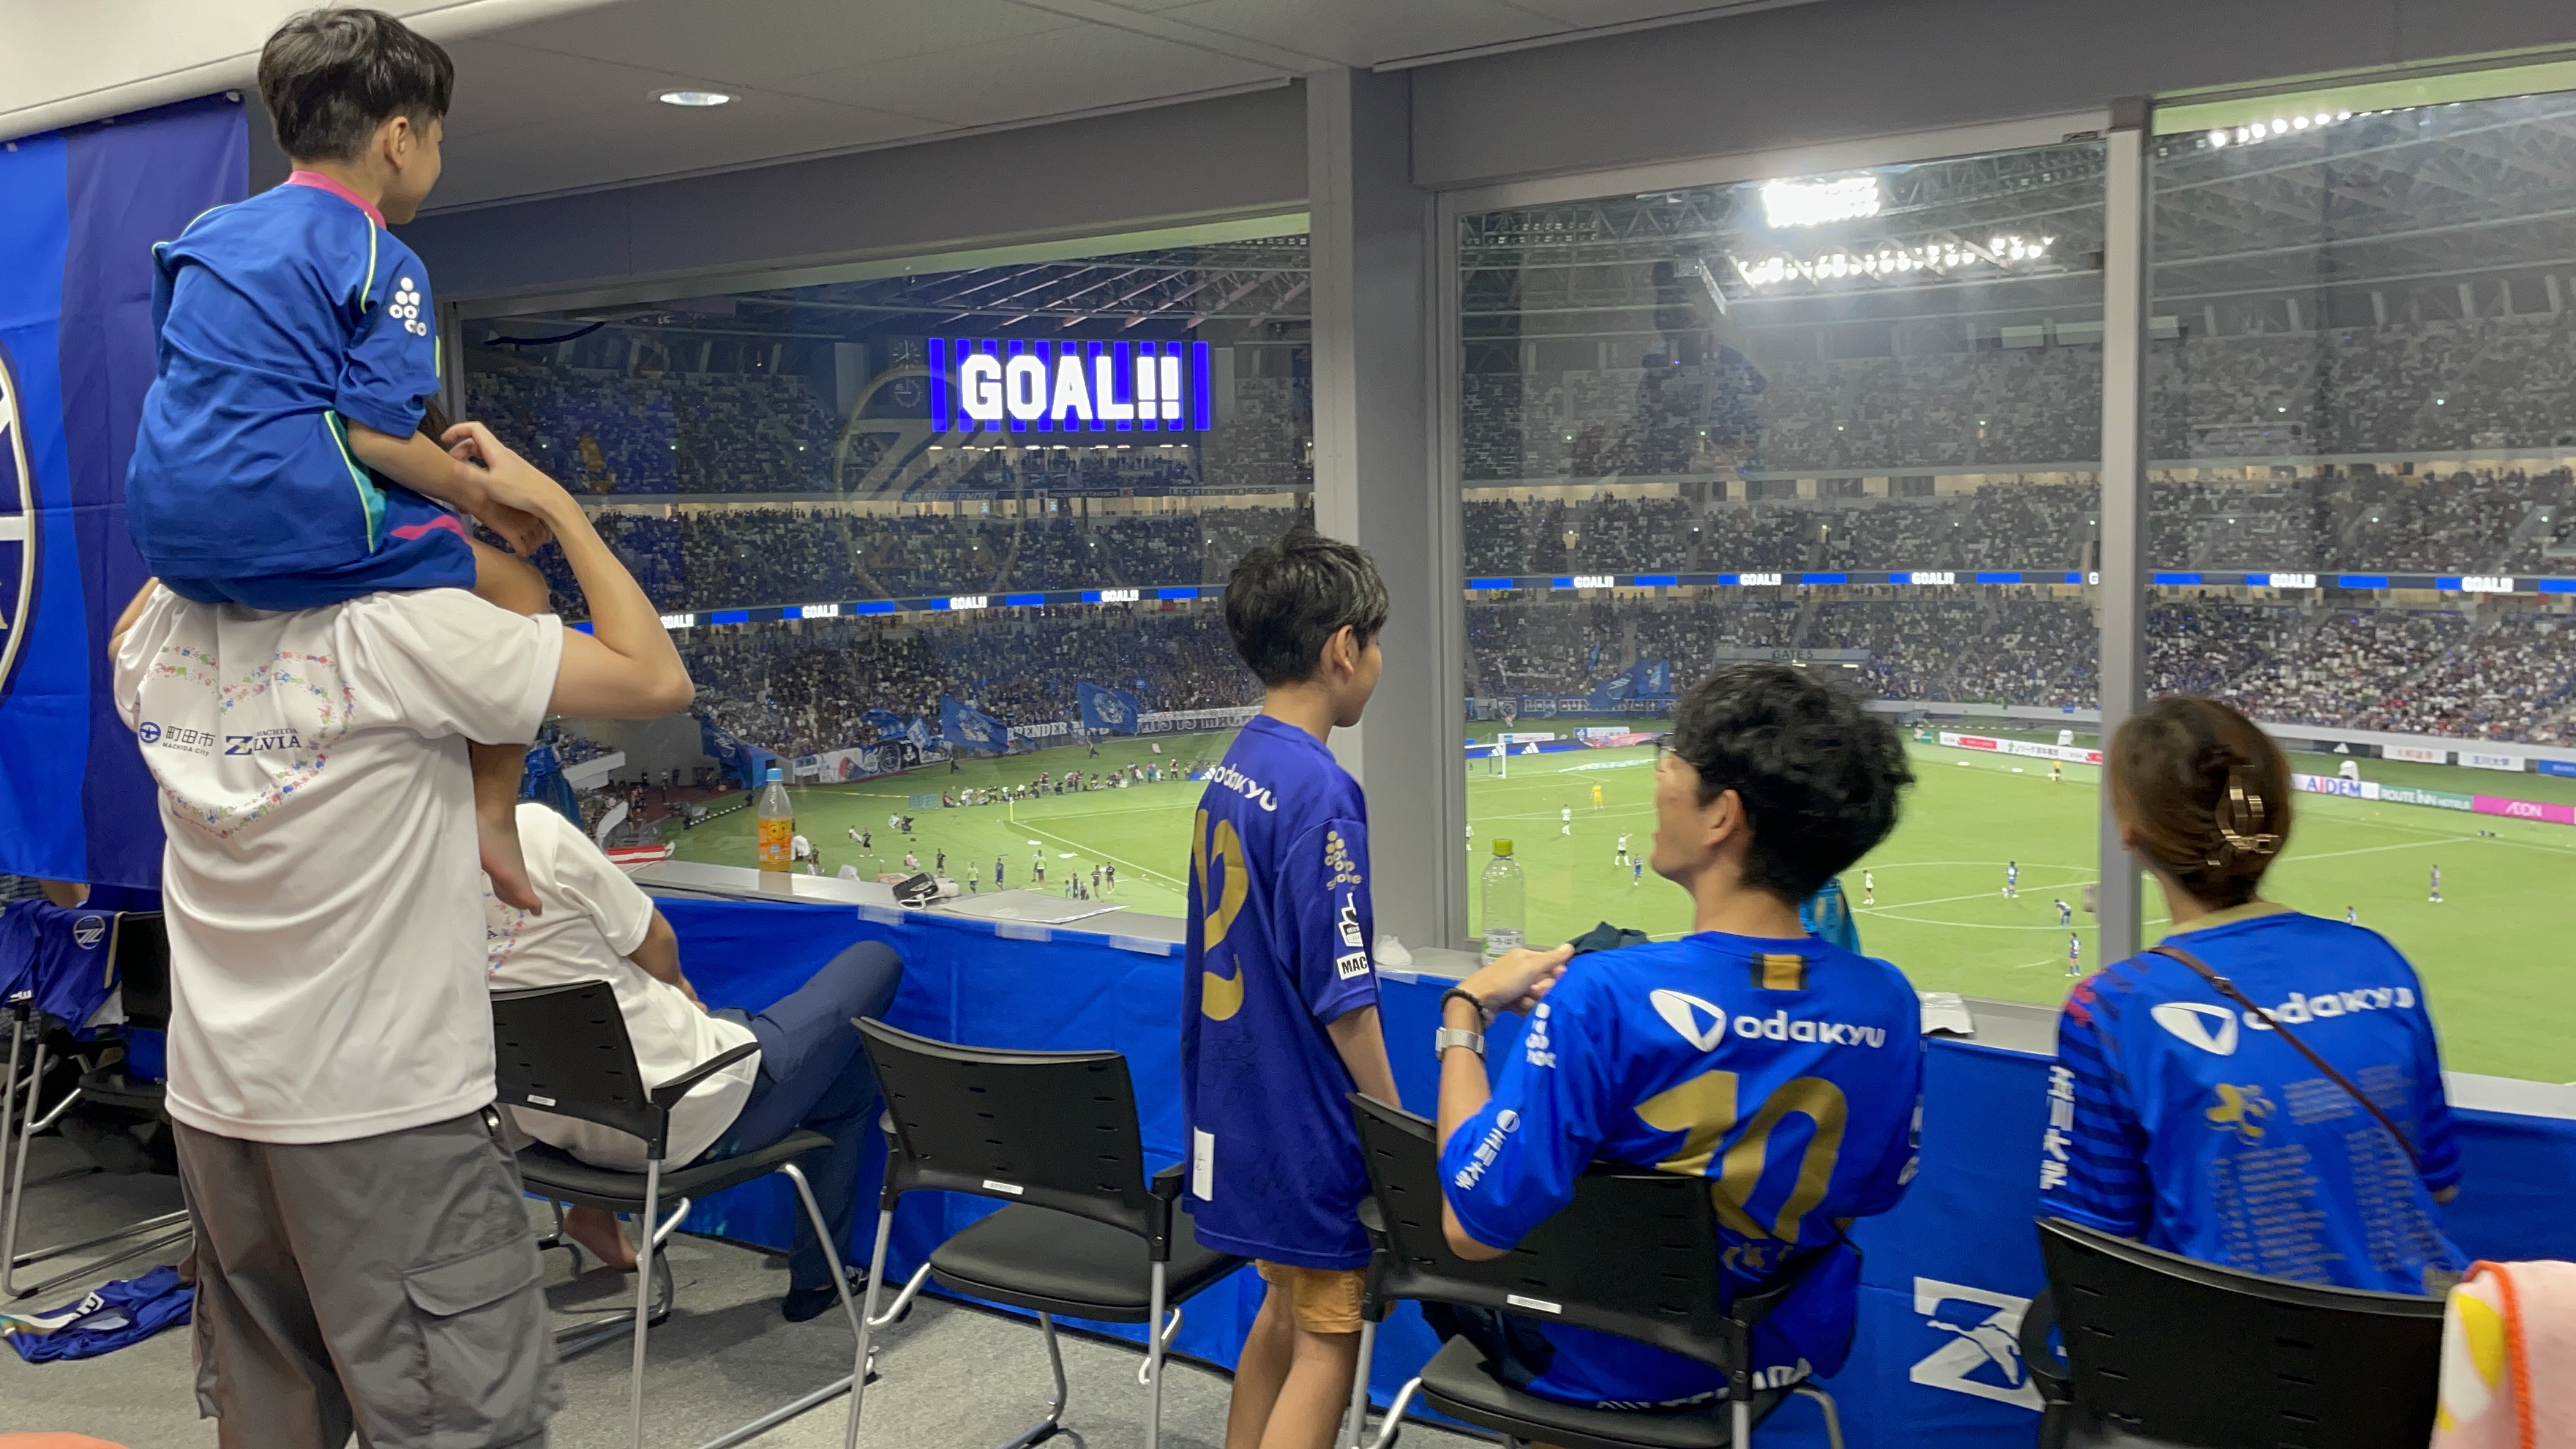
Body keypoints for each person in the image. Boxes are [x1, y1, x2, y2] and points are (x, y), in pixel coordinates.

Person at [112, 272, 692, 1449]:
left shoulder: (153, 636)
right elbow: (651, 676)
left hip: (219, 1117)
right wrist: (548, 506)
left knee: (271, 1417)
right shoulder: (403, 635)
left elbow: (187, 556)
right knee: (456, 1422)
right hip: (381, 1121)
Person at [123, 10, 556, 913]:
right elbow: (375, 437)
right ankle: (494, 814)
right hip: (289, 521)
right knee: (521, 590)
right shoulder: (381, 257)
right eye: (438, 137)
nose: (436, 155)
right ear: (399, 139)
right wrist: (486, 502)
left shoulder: (203, 234)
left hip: (166, 534)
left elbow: (198, 380)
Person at [1431, 664, 1922, 1412]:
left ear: (1721, 814)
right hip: (1764, 1360)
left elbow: (1472, 1227)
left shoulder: (1603, 995)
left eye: (1672, 760)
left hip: (1600, 1364)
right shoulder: (1889, 1003)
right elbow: (1860, 1198)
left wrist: (1465, 1014)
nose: (1658, 776)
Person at [2043, 695, 2467, 1295]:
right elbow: (2440, 1182)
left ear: (2130, 832)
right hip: (2417, 1339)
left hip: (2229, 1343)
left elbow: (2090, 1243)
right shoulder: (2377, 960)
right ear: (2278, 820)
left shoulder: (2111, 1008)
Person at [483, 802, 902, 1319]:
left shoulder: (406, 869)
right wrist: (681, 990)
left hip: (550, 1133)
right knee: (875, 962)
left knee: (838, 1072)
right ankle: (818, 1278)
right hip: (679, 1120)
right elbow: (654, 938)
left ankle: (595, 1212)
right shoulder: (531, 829)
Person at [1180, 527, 1401, 1449]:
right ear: (1343, 648)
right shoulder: (1321, 792)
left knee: (1279, 1312)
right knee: (1329, 1339)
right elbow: (1343, 993)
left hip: (1237, 1110)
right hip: (1305, 1125)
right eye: (1375, 642)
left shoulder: (1234, 765)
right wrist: (1395, 1130)